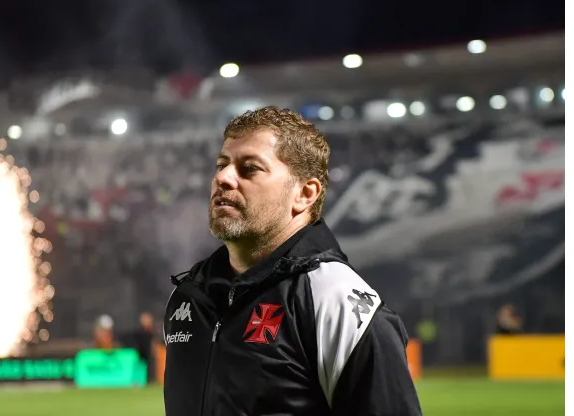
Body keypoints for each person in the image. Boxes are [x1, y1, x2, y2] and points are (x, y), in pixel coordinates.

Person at [163, 106, 422, 416]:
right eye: (222, 164)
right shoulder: (189, 297)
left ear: (304, 194)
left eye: (250, 169)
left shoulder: (334, 301)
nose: (223, 177)